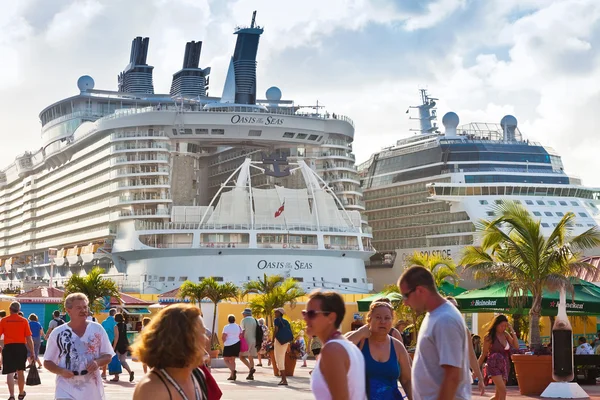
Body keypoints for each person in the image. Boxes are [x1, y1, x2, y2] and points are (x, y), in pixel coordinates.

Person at [398, 266, 471, 400]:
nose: (405, 302)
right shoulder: (435, 315)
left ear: (420, 290)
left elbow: (453, 375)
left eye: (406, 295)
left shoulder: (445, 319)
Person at [132, 304, 211, 400]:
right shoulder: (152, 389)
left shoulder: (197, 375)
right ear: (184, 339)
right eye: (202, 332)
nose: (206, 339)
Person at [44, 293, 114, 400]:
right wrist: (61, 371)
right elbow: (47, 362)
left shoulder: (97, 329)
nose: (83, 310)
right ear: (68, 310)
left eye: (85, 307)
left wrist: (97, 362)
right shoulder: (58, 333)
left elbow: (108, 355)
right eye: (79, 308)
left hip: (91, 388)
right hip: (65, 388)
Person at [345, 300, 412, 400]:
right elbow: (336, 350)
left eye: (387, 318)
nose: (383, 321)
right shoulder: (359, 341)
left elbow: (407, 380)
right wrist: (359, 333)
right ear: (369, 319)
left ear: (392, 321)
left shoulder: (397, 346)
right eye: (378, 317)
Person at [305, 290, 366, 399]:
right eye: (304, 313)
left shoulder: (332, 350)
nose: (305, 318)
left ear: (331, 318)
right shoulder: (348, 346)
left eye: (311, 314)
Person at [445, 296, 485, 396]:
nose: (454, 310)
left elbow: (471, 355)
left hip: (460, 376)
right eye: (450, 307)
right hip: (442, 376)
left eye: (456, 307)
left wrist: (480, 378)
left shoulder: (464, 329)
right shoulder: (437, 327)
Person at [478, 314, 519, 400]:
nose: (503, 328)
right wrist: (476, 369)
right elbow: (483, 354)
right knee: (503, 391)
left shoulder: (506, 334)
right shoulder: (489, 337)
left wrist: (511, 330)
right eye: (501, 325)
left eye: (505, 326)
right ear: (496, 324)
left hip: (505, 365)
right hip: (493, 365)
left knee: (498, 396)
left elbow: (516, 346)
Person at [0, 302, 35, 400]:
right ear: (19, 310)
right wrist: (32, 351)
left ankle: (11, 396)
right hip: (20, 347)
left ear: (10, 309)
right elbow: (28, 338)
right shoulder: (24, 321)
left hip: (8, 347)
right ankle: (21, 393)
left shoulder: (4, 320)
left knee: (10, 373)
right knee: (20, 371)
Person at [111, 312, 134, 382]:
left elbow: (116, 337)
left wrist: (113, 347)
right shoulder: (125, 325)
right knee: (123, 361)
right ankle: (130, 372)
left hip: (118, 345)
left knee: (116, 361)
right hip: (125, 344)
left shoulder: (116, 326)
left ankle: (116, 376)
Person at [273, 308, 293, 386]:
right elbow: (289, 333)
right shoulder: (286, 321)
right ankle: (282, 379)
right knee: (281, 358)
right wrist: (289, 345)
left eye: (276, 312)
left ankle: (284, 379)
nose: (275, 313)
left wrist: (272, 340)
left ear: (279, 313)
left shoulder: (277, 320)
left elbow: (276, 330)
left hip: (279, 341)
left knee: (279, 359)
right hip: (285, 341)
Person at [222, 314, 241, 381]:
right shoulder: (238, 326)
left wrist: (224, 343)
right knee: (233, 360)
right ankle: (232, 375)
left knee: (225, 359)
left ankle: (233, 371)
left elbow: (223, 336)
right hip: (237, 343)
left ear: (228, 320)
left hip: (228, 344)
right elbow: (240, 334)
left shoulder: (226, 327)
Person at [239, 308, 257, 380]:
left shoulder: (244, 320)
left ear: (246, 314)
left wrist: (240, 337)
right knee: (251, 357)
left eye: (243, 313)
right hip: (254, 340)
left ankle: (251, 369)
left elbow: (242, 330)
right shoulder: (254, 320)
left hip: (246, 340)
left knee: (241, 356)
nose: (243, 315)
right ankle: (251, 375)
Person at [100, 308, 117, 379]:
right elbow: (117, 334)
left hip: (105, 341)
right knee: (115, 358)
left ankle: (104, 373)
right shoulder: (115, 322)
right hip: (114, 341)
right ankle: (116, 375)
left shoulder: (104, 322)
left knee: (105, 356)